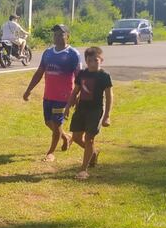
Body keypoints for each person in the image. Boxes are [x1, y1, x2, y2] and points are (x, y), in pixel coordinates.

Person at [23, 24, 81, 162]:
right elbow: (39, 72)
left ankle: (50, 153)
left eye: (60, 34)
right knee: (48, 122)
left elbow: (79, 77)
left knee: (57, 125)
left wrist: (77, 96)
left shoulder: (73, 54)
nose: (57, 37)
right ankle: (66, 137)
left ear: (67, 36)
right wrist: (28, 90)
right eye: (55, 34)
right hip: (48, 95)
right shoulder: (48, 53)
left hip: (63, 97)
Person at [64, 46, 113, 180]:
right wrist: (68, 106)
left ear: (101, 60)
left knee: (90, 138)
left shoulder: (104, 76)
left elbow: (109, 96)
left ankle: (83, 170)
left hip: (95, 110)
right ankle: (93, 153)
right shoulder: (82, 74)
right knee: (77, 137)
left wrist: (107, 116)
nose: (93, 63)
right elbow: (75, 91)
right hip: (81, 109)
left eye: (96, 60)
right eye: (90, 60)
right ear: (86, 61)